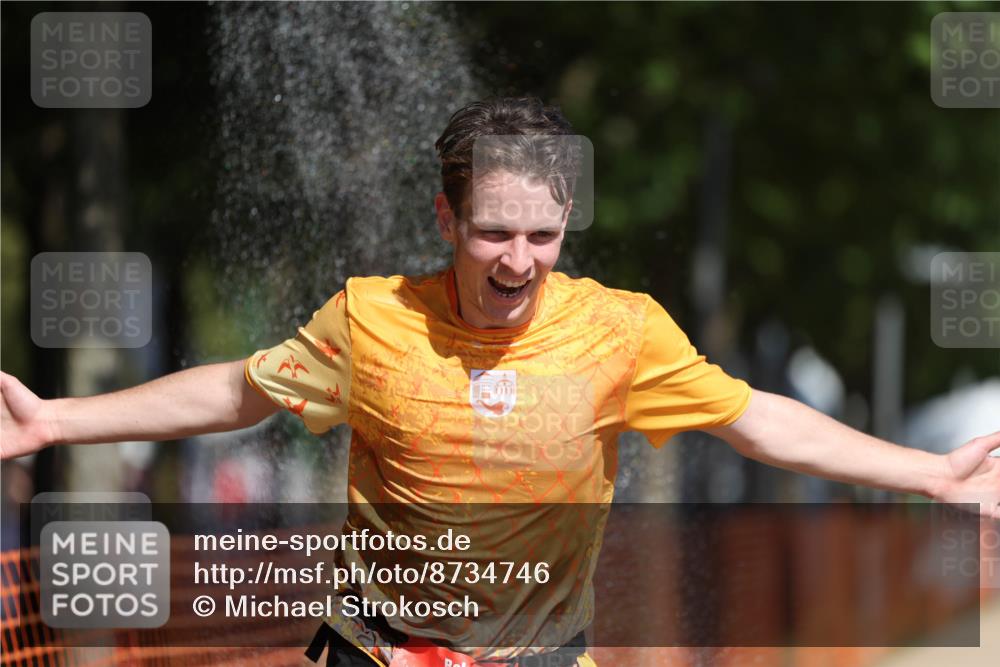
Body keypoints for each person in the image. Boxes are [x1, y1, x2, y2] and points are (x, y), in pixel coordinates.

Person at [2, 97, 998, 667]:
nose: (520, 261)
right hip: (373, 652)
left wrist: (930, 473)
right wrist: (52, 420)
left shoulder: (620, 330)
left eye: (543, 234)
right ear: (445, 218)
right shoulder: (370, 319)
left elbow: (755, 420)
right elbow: (238, 392)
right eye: (492, 232)